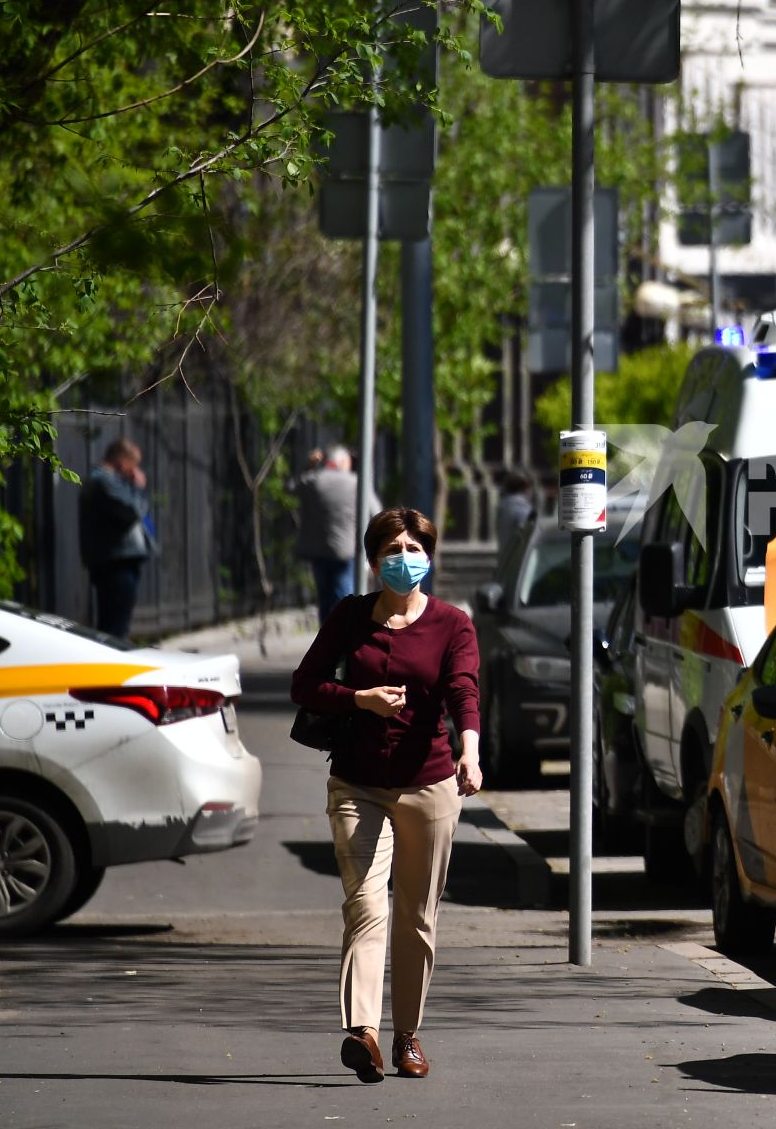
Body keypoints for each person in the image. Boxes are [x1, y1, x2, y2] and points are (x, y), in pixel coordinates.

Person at [290, 507, 482, 1083]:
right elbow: (307, 684)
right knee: (366, 906)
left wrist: (470, 751)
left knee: (416, 917)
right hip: (358, 783)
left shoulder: (453, 624)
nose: (405, 558)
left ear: (430, 556)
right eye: (393, 549)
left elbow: (463, 691)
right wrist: (359, 699)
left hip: (430, 783)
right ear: (374, 560)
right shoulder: (350, 617)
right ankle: (364, 1033)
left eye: (415, 548)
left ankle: (407, 1036)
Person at [78, 438, 153, 638]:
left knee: (115, 623)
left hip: (118, 562)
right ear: (122, 462)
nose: (135, 471)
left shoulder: (108, 481)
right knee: (115, 629)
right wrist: (138, 488)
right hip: (115, 565)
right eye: (134, 465)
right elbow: (132, 510)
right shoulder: (103, 481)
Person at [294, 446, 379, 622]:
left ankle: (326, 639)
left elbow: (292, 486)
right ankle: (343, 640)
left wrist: (308, 466)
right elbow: (376, 512)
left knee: (324, 599)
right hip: (347, 550)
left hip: (318, 551)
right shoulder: (356, 482)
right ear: (343, 462)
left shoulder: (313, 480)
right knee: (343, 596)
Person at [493, 470, 535, 560]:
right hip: (518, 560)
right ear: (526, 487)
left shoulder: (503, 506)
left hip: (504, 557)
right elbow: (526, 534)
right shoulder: (522, 509)